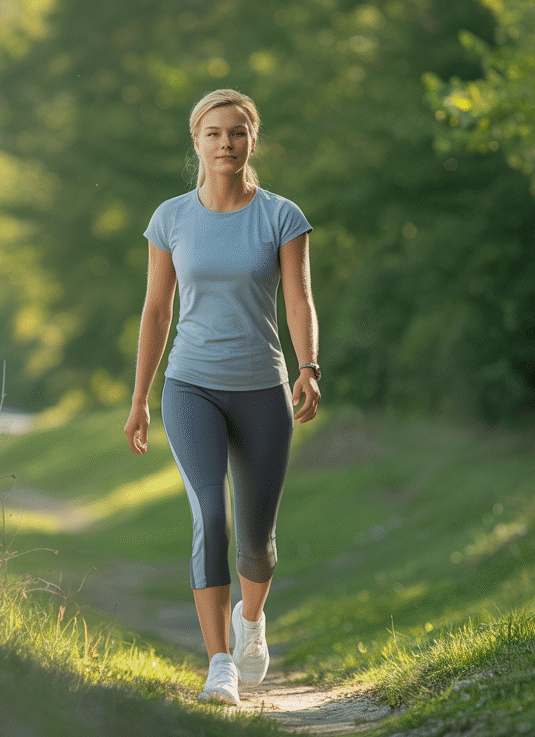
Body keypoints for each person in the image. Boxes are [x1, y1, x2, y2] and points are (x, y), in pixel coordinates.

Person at [123, 88, 320, 706]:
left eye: (237, 132)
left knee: (257, 541)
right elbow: (157, 310)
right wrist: (140, 398)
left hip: (262, 386)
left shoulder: (282, 216)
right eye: (213, 134)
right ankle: (219, 665)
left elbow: (298, 300)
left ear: (251, 140)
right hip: (191, 385)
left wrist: (308, 366)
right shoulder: (171, 218)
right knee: (211, 515)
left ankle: (252, 622)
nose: (225, 143)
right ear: (197, 143)